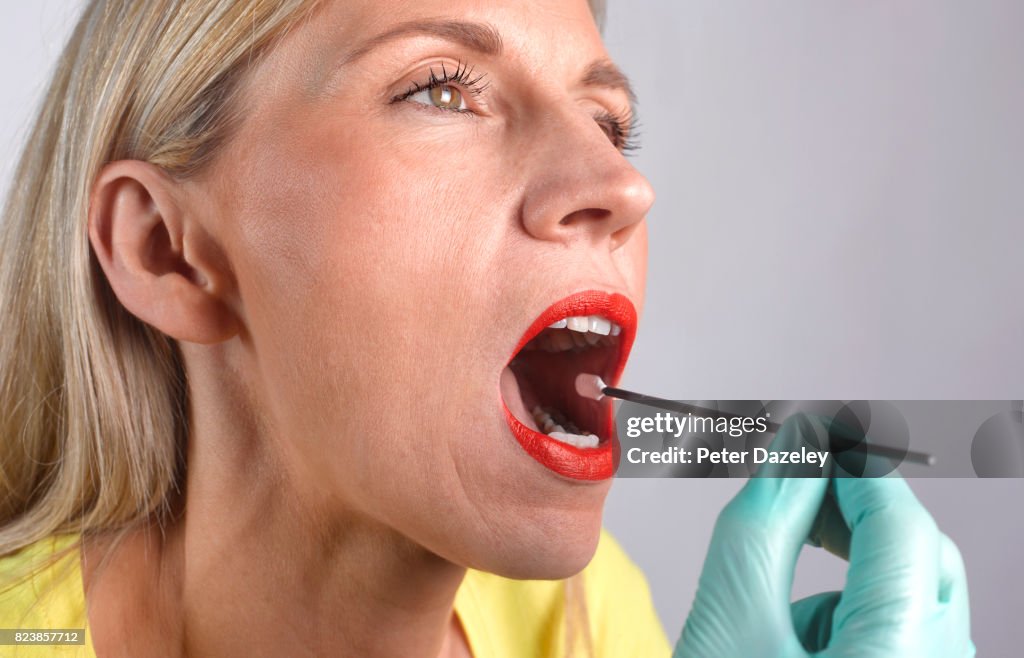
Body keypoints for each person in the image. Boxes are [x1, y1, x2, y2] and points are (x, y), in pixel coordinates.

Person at [0, 1, 974, 656]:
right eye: (439, 89)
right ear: (168, 250)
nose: (620, 185)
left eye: (607, 120)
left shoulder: (590, 619)